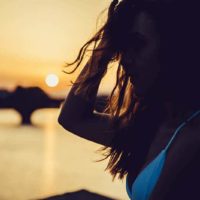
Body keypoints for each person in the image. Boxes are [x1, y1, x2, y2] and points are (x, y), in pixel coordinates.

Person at [58, 0, 200, 199]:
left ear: (174, 47)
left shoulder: (192, 136)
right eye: (123, 47)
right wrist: (106, 45)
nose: (125, 59)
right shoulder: (152, 126)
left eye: (138, 45)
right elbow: (72, 118)